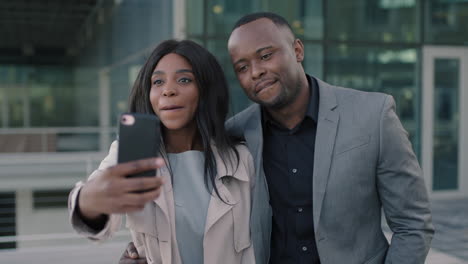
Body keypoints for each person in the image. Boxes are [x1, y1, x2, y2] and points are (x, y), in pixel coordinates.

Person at [121, 12, 434, 264]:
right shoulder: (234, 135)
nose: (255, 72)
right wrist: (143, 248)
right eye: (242, 67)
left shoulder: (373, 114)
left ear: (297, 50)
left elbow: (413, 224)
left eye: (265, 56)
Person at [68, 39, 256, 264]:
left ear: (206, 89)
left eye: (184, 79)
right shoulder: (135, 153)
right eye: (158, 82)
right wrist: (88, 200)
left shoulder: (242, 158)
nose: (168, 90)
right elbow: (98, 221)